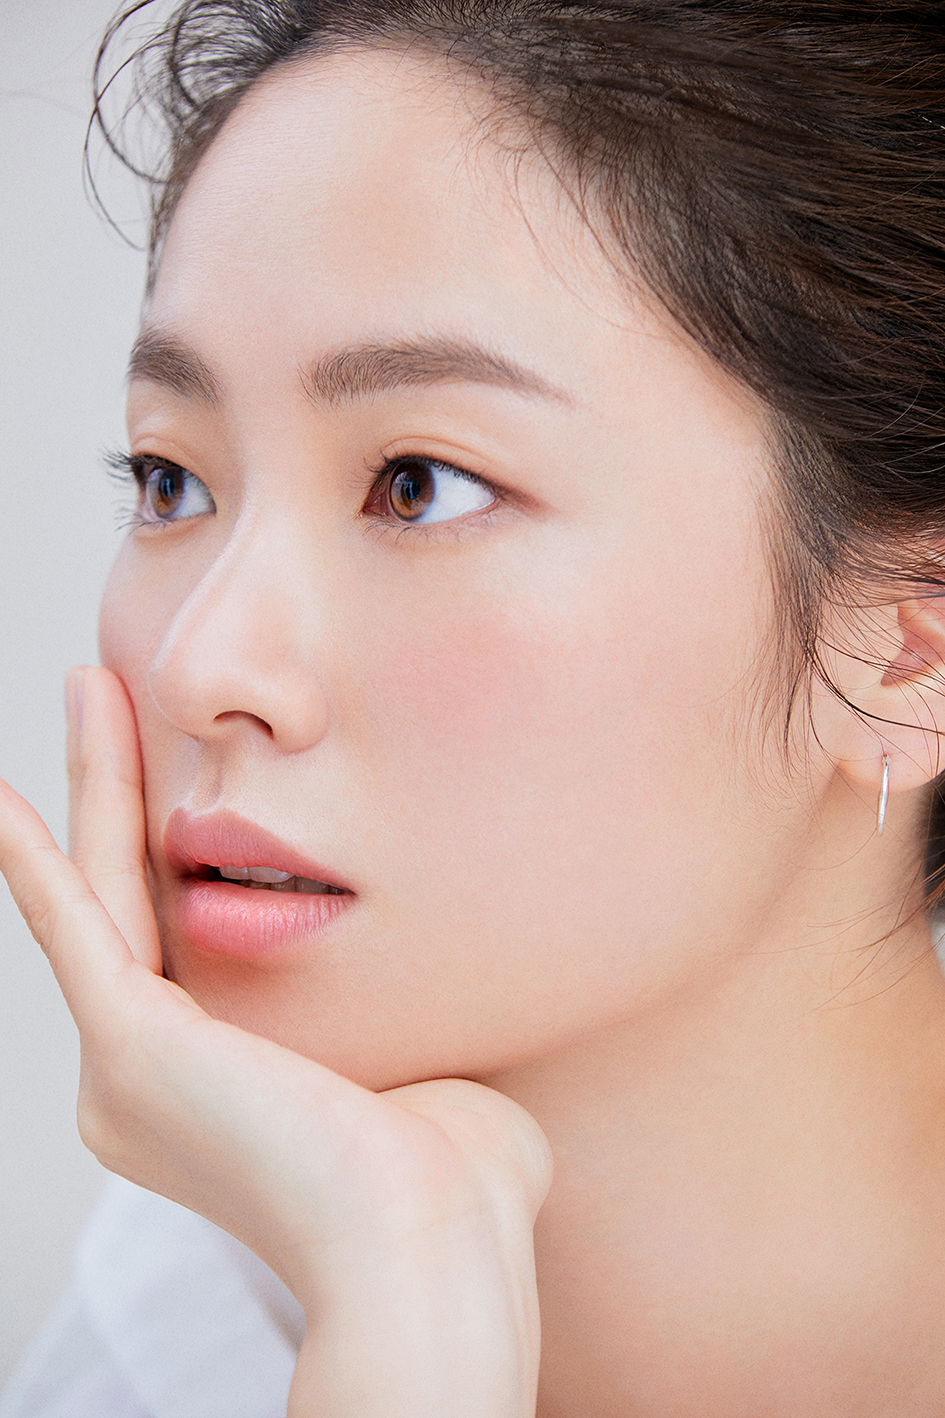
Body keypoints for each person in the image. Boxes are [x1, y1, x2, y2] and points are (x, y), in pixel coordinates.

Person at [2, 1, 945, 1413]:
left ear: (909, 649)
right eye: (169, 479)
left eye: (418, 485)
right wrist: (402, 1303)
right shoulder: (179, 1343)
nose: (199, 669)